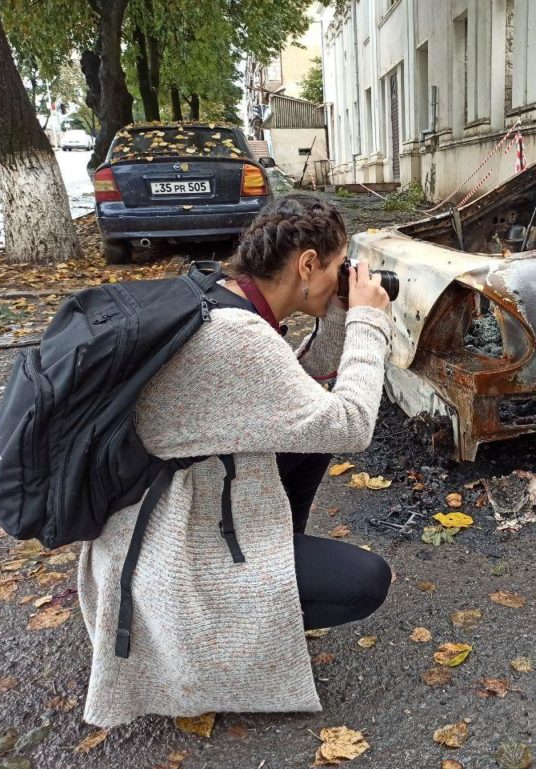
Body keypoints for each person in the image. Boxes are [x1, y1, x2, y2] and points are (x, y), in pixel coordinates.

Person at [77, 194, 394, 727]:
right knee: (366, 580)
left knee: (311, 439)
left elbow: (305, 396)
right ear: (307, 265)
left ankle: (273, 566)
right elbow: (353, 424)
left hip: (159, 506)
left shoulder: (216, 296)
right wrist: (367, 322)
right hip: (168, 549)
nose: (348, 277)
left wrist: (341, 314)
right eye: (341, 267)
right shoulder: (238, 338)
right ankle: (243, 618)